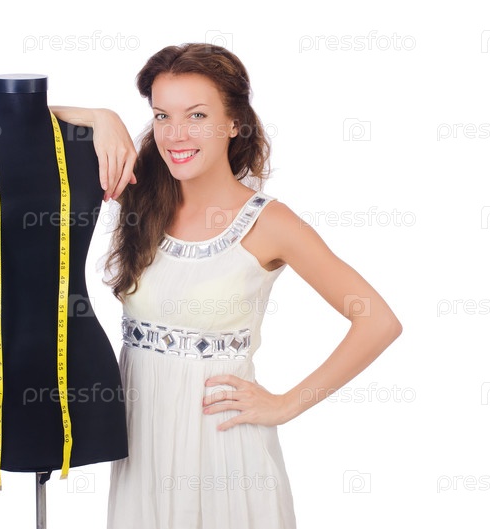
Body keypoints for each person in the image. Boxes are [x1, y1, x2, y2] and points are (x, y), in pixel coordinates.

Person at [53, 43, 402, 529]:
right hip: (142, 448)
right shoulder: (137, 196)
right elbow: (17, 122)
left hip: (224, 451)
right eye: (162, 115)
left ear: (234, 123)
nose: (176, 134)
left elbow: (378, 321)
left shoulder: (270, 222)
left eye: (197, 115)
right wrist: (102, 117)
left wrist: (285, 405)